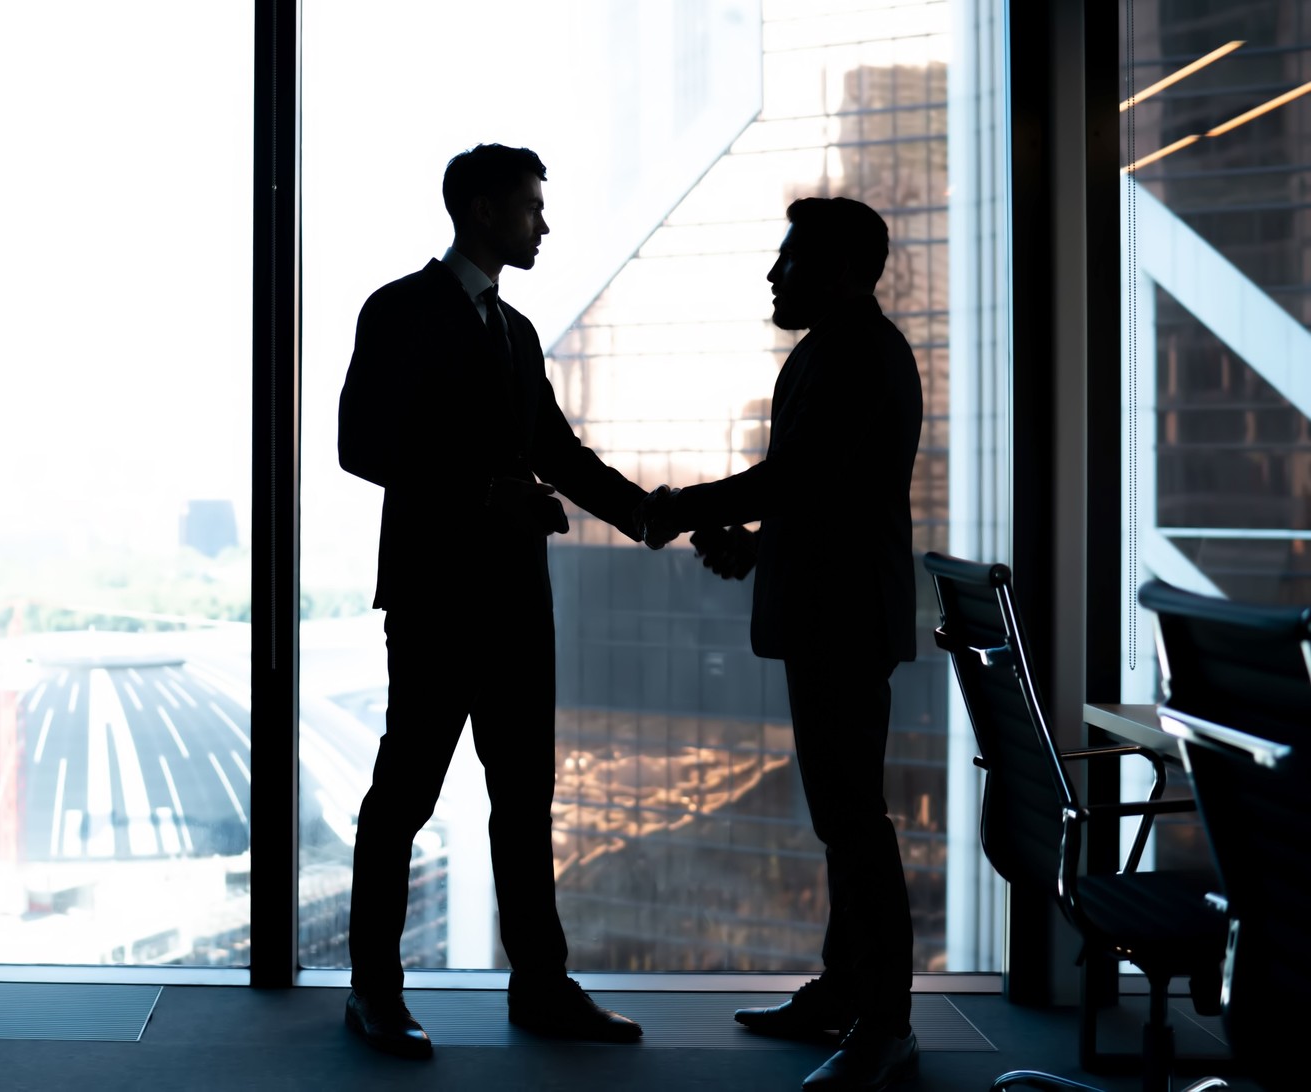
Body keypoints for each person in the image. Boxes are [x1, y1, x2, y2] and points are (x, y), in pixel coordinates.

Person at [336, 143, 655, 1058]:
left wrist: (652, 517)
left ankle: (542, 988)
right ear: (482, 210)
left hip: (516, 601)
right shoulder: (398, 309)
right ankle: (374, 992)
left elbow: (558, 453)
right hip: (436, 599)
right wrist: (485, 494)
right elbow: (361, 444)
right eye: (530, 207)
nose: (544, 224)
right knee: (405, 796)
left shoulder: (515, 331)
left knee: (525, 801)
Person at [640, 196, 924, 1091]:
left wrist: (680, 507)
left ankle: (884, 1023)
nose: (774, 273)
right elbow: (832, 492)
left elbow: (798, 476)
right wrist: (761, 546)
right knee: (843, 820)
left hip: (843, 619)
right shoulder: (846, 348)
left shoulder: (853, 353)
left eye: (790, 258)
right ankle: (847, 993)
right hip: (836, 612)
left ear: (838, 272)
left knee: (855, 824)